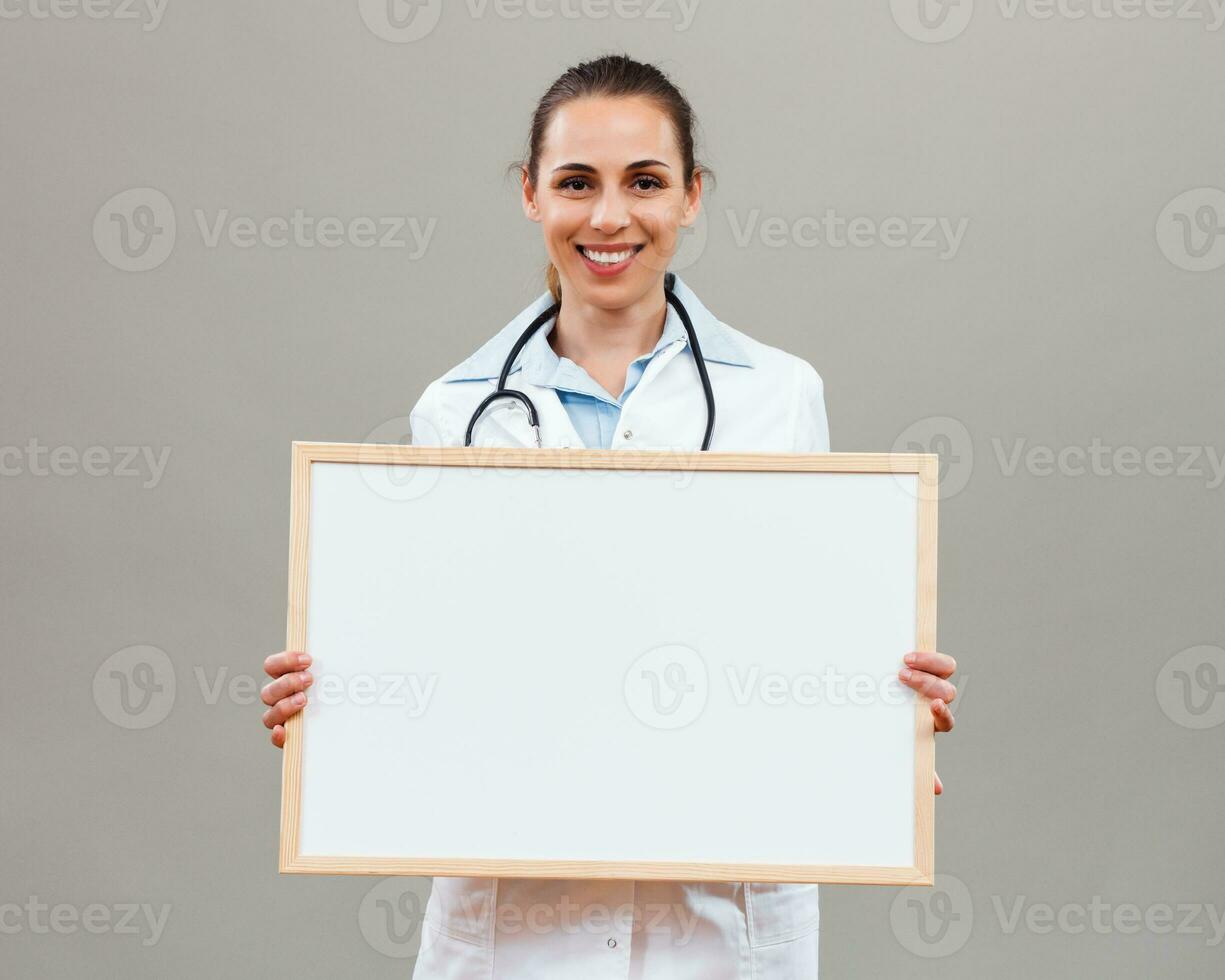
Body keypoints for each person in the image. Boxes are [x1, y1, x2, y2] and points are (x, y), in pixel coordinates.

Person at [262, 53, 958, 979]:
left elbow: (801, 632)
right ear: (528, 194)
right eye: (575, 183)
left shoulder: (779, 397)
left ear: (691, 197)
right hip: (511, 929)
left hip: (718, 928)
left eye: (645, 182)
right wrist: (340, 707)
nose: (608, 217)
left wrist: (878, 728)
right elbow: (431, 659)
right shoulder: (454, 410)